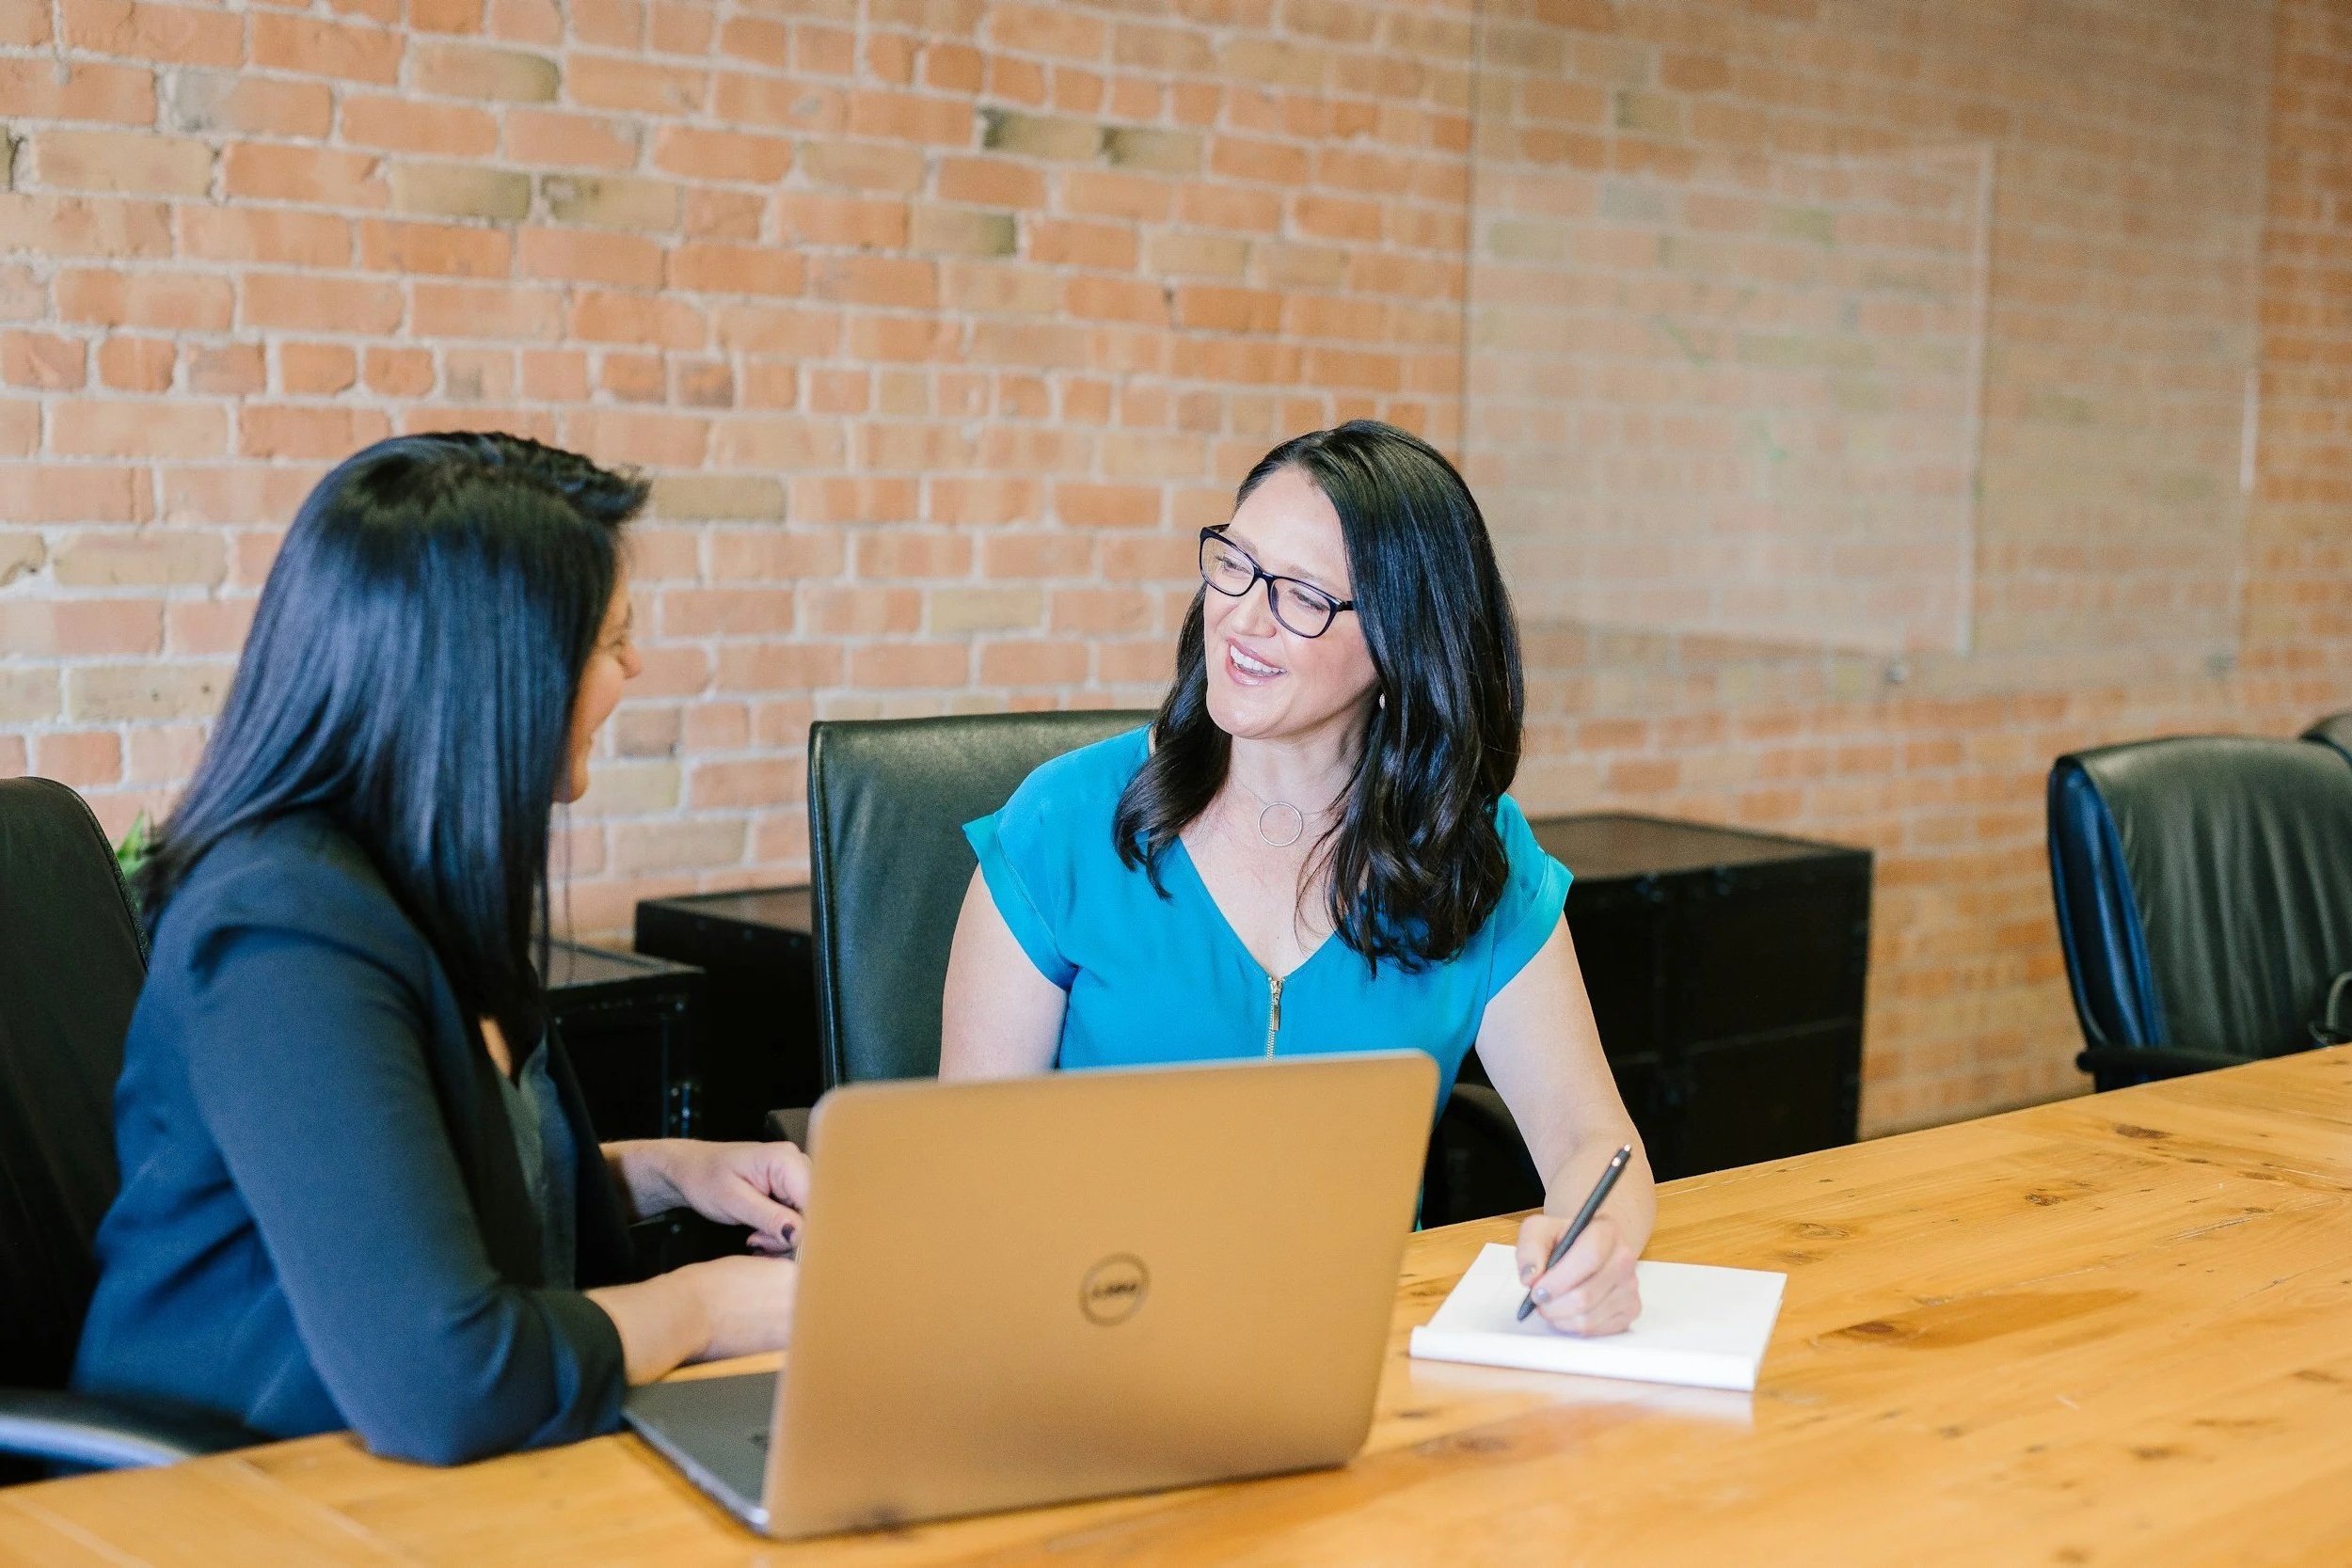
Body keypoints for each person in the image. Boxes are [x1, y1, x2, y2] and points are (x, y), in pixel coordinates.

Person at [72, 434, 803, 1465]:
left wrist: (673, 1170)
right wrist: (708, 1306)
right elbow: (449, 1379)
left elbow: (423, 1185)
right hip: (242, 1487)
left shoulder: (419, 883)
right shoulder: (283, 933)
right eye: (611, 639)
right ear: (498, 676)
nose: (635, 667)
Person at [940, 420, 1656, 1338]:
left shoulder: (1472, 856)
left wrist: (1600, 1246)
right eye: (1233, 564)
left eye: (1303, 596)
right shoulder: (1064, 823)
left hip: (1360, 1344)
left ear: (1401, 643)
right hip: (1090, 1328)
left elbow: (1593, 1138)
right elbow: (965, 1166)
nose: (1241, 614)